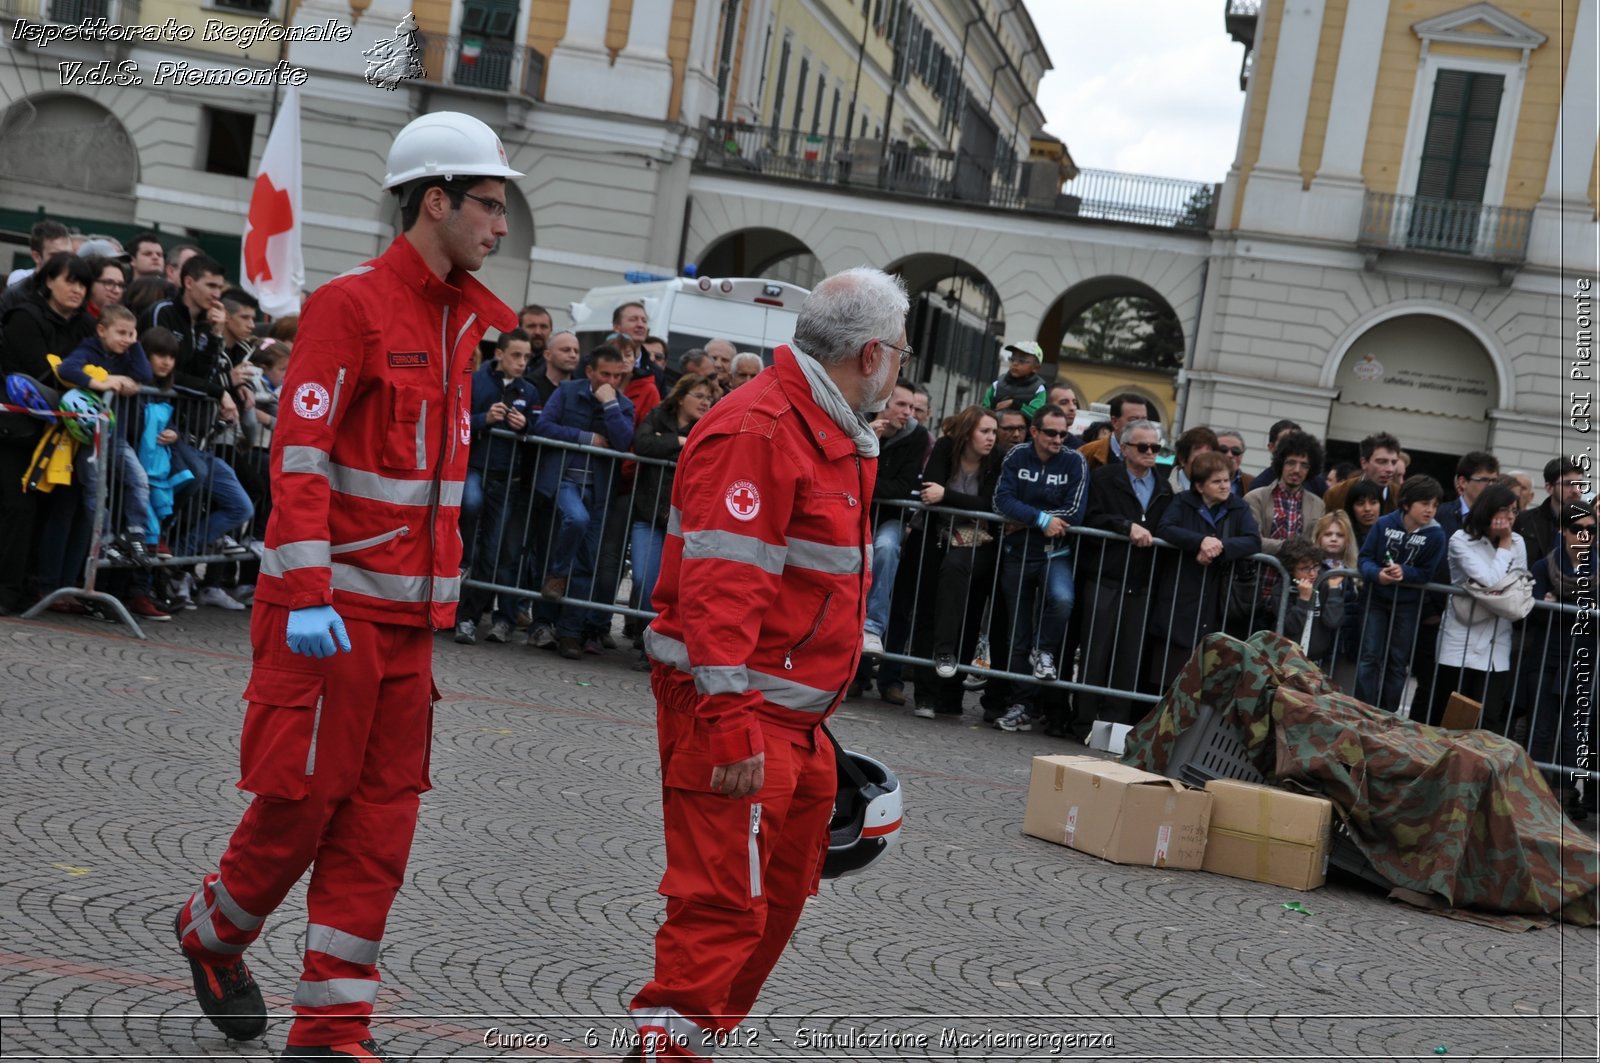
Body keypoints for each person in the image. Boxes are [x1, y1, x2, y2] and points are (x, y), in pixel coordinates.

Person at [170, 111, 519, 1063]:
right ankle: (214, 930)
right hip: (328, 611)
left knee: (380, 824)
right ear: (436, 201)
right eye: (489, 204)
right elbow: (303, 456)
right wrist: (312, 589)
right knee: (299, 807)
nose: (500, 224)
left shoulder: (460, 320)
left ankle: (330, 1032)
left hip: (405, 623)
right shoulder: (354, 305)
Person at [629, 266, 906, 1062]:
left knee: (775, 901)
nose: (902, 370)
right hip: (738, 711)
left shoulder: (829, 427)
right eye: (901, 354)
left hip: (795, 721)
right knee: (721, 908)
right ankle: (665, 1047)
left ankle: (691, 1045)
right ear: (872, 353)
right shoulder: (760, 428)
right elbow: (720, 592)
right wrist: (728, 719)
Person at [531, 345, 636, 659]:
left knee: (588, 561)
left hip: (600, 490)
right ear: (590, 371)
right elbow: (543, 426)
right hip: (564, 480)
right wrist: (584, 437)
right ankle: (553, 588)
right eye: (605, 374)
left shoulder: (623, 404)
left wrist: (611, 405)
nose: (611, 381)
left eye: (618, 376)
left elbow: (624, 440)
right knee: (575, 520)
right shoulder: (566, 392)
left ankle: (570, 634)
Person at [991, 403, 1089, 732]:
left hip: (1055, 553)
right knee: (1017, 633)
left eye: (1063, 433)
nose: (1058, 439)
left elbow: (1075, 511)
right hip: (1017, 553)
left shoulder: (1075, 460)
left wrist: (1025, 519)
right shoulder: (1017, 456)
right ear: (1034, 431)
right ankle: (1020, 704)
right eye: (1051, 433)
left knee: (1062, 600)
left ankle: (1044, 650)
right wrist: (1041, 518)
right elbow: (1001, 500)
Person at [899, 405, 1002, 718]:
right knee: (928, 611)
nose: (991, 438)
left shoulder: (996, 458)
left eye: (994, 432)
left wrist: (949, 496)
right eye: (985, 431)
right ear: (968, 431)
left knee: (968, 617)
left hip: (977, 546)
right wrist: (948, 497)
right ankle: (925, 696)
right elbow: (930, 490)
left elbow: (991, 503)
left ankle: (951, 696)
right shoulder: (945, 447)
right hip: (934, 539)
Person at [1080, 419, 1173, 727]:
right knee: (1095, 655)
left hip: (1142, 581)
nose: (1150, 453)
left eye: (1156, 448)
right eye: (1143, 447)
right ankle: (1080, 721)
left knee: (1128, 660)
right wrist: (1123, 526)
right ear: (1125, 447)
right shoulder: (1105, 478)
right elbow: (1091, 516)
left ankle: (1114, 727)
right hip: (1106, 576)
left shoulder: (1163, 486)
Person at [1148, 451, 1262, 690]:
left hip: (1218, 596)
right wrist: (1199, 541)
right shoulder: (1182, 502)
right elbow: (1166, 528)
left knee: (1208, 673)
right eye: (1217, 481)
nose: (1225, 486)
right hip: (1182, 593)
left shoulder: (1237, 506)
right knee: (1171, 674)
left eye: (1227, 480)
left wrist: (1219, 546)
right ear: (1199, 486)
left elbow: (1253, 540)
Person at [455, 329, 536, 646]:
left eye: (527, 357)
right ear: (499, 354)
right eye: (516, 355)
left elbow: (541, 427)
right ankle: (450, 607)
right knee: (470, 506)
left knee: (490, 554)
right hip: (475, 469)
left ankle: (468, 620)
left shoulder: (528, 390)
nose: (522, 362)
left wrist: (526, 426)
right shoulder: (476, 381)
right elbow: (457, 417)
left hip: (506, 479)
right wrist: (482, 419)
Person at [629, 373, 717, 665]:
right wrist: (679, 439)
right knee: (643, 578)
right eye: (700, 396)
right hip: (647, 513)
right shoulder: (658, 414)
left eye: (709, 397)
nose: (706, 402)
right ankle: (643, 634)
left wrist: (664, 442)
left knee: (674, 586)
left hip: (682, 520)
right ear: (681, 397)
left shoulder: (708, 423)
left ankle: (653, 649)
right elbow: (641, 443)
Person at [1428, 483, 1526, 730]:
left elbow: (1519, 588)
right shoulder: (1461, 540)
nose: (1510, 517)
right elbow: (1492, 581)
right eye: (1505, 510)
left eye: (1515, 511)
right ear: (1489, 509)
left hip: (1497, 643)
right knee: (1450, 717)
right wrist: (1504, 545)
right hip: (1461, 641)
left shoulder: (1519, 542)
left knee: (1488, 720)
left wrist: (1495, 591)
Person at [1521, 502, 1595, 816]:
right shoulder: (1545, 566)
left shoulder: (1599, 569)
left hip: (1582, 659)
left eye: (1591, 530)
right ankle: (1532, 794)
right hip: (1546, 655)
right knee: (1541, 727)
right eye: (1578, 529)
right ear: (1563, 531)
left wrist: (1559, 601)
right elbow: (1532, 609)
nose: (1584, 536)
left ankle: (1563, 798)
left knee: (1572, 731)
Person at [1352, 475, 1446, 711]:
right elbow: (1364, 559)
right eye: (1424, 503)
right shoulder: (1384, 524)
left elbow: (1427, 572)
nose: (1430, 510)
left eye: (1434, 505)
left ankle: (1387, 713)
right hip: (1376, 599)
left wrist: (1405, 572)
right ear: (1407, 504)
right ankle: (1362, 708)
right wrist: (1377, 574)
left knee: (1397, 661)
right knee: (1369, 656)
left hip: (1408, 605)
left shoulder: (1436, 534)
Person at [862, 381, 928, 660]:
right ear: (883, 405)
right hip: (857, 512)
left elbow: (901, 488)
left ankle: (872, 627)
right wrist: (869, 443)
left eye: (912, 407)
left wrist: (864, 482)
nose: (908, 413)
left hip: (890, 517)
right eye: (902, 405)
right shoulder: (858, 422)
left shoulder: (917, 436)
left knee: (887, 549)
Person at [1279, 536, 1345, 671]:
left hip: (1318, 657)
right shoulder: (1283, 588)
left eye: (1315, 566)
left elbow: (1333, 621)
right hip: (1288, 657)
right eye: (1304, 569)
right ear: (1291, 571)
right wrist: (1303, 599)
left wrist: (1333, 590)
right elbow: (1291, 627)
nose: (1312, 573)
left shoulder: (1323, 583)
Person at [1514, 457, 1587, 563]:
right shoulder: (1524, 521)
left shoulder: (1589, 525)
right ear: (1549, 488)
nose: (1576, 490)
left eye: (1580, 484)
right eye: (1568, 484)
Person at [1077, 393, 1148, 469]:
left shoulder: (1149, 452)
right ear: (1115, 422)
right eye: (1133, 420)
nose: (1140, 425)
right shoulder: (1087, 453)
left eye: (1143, 420)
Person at [981, 341, 1047, 420]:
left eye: (1022, 361)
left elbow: (1038, 416)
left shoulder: (1039, 389)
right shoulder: (997, 385)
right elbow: (983, 410)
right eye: (1012, 359)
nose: (1015, 363)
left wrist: (1016, 405)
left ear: (1035, 368)